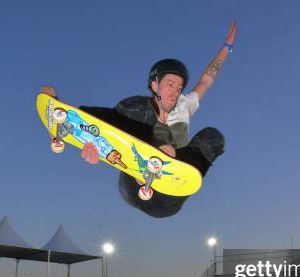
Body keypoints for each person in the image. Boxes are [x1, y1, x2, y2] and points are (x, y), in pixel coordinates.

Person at [42, 21, 238, 218]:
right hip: (131, 188)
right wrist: (92, 144)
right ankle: (65, 118)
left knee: (212, 137)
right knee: (136, 120)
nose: (175, 92)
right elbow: (109, 122)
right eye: (170, 84)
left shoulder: (186, 104)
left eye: (179, 88)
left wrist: (226, 47)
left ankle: (166, 167)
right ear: (154, 85)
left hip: (167, 199)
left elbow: (206, 80)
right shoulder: (136, 107)